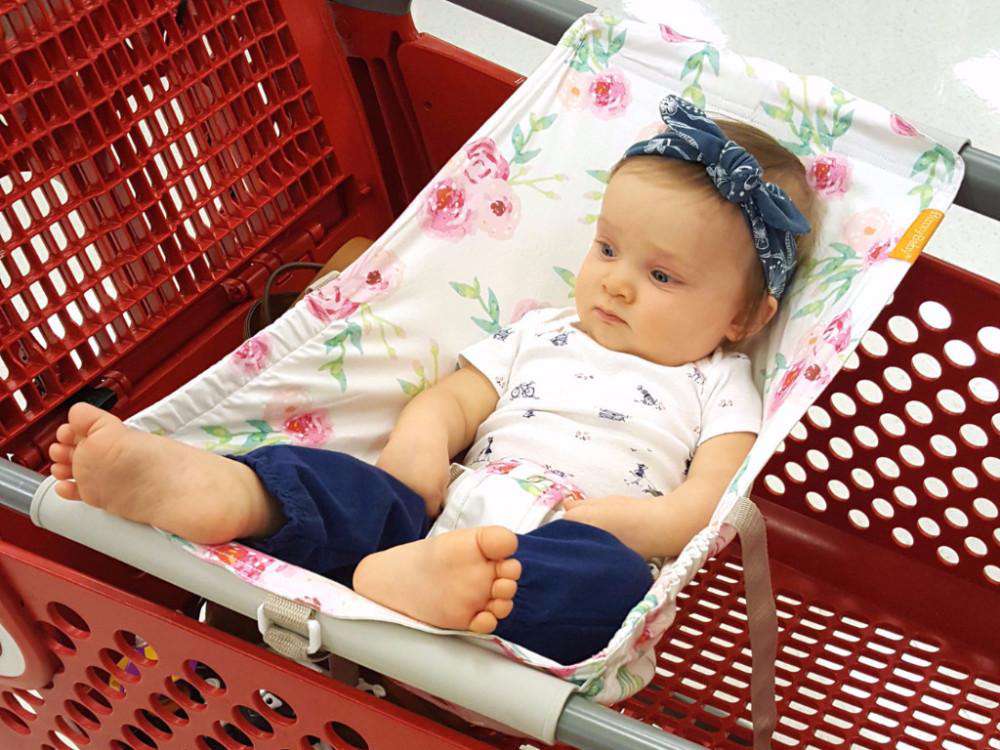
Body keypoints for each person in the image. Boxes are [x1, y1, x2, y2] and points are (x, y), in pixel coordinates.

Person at [47, 96, 817, 665]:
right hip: (443, 504)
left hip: (567, 542)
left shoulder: (721, 383)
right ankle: (220, 492)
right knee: (344, 484)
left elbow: (707, 501)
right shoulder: (543, 331)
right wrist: (418, 448)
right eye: (608, 249)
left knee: (608, 589)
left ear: (743, 318)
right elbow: (455, 399)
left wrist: (627, 527)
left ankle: (437, 592)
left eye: (661, 275)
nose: (614, 285)